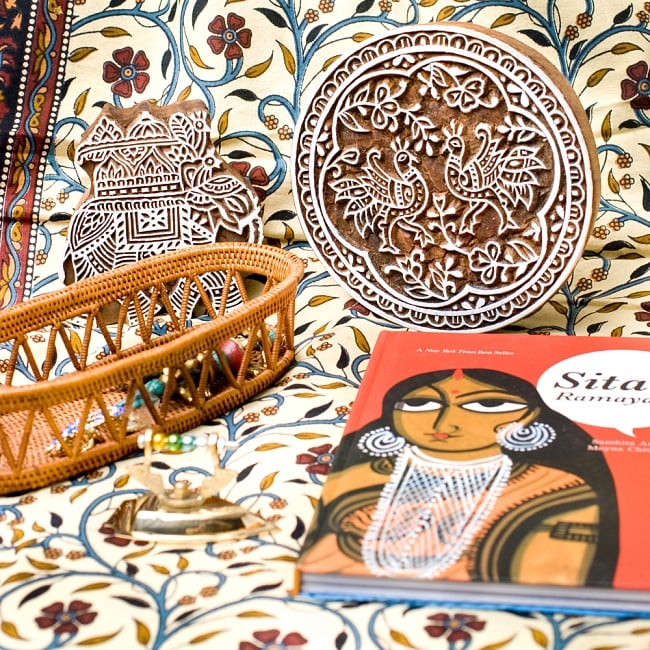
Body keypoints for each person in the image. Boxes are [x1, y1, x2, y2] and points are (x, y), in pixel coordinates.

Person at [299, 368, 619, 587]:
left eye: (488, 404)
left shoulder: (557, 490)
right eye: (420, 403)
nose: (445, 422)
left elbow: (557, 577)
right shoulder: (356, 476)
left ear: (530, 415)